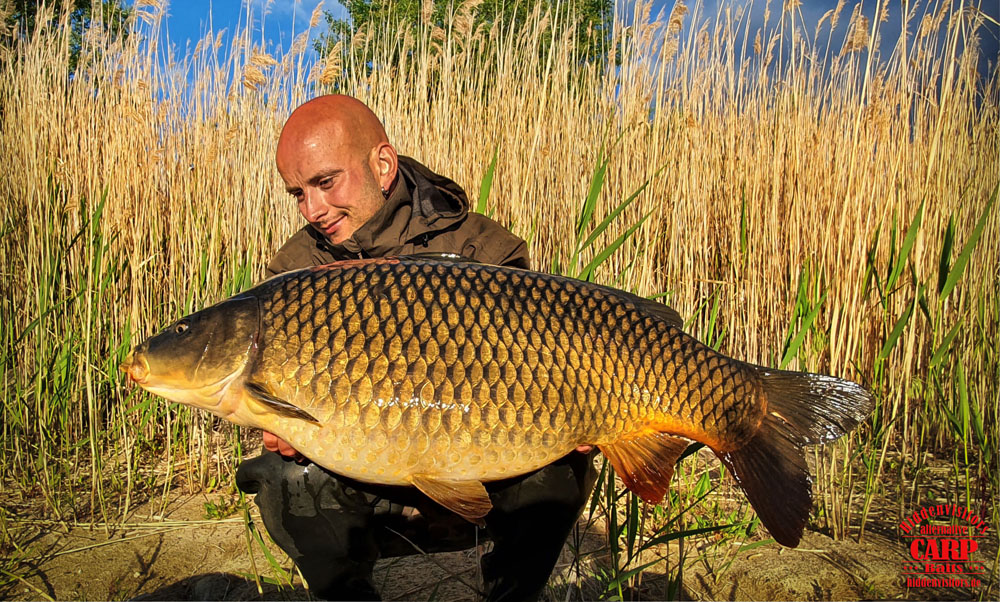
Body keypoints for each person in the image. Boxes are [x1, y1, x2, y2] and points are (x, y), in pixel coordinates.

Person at [235, 95, 598, 601]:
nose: (312, 209)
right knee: (283, 478)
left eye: (326, 182)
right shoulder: (296, 272)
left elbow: (537, 358)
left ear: (382, 165)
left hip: (482, 468)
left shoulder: (481, 249)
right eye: (298, 193)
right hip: (368, 483)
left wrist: (577, 405)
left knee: (560, 467)